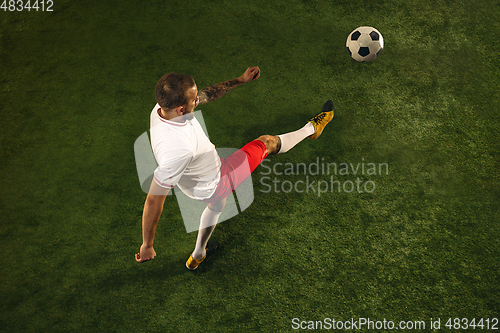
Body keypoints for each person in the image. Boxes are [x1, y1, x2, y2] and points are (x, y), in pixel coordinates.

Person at [135, 66, 334, 270]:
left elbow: (205, 95)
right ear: (181, 109)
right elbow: (153, 199)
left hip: (197, 178)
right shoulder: (177, 150)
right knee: (266, 142)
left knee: (217, 204)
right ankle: (312, 129)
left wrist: (239, 80)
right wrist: (147, 245)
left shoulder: (162, 109)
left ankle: (198, 255)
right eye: (193, 100)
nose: (198, 100)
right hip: (217, 180)